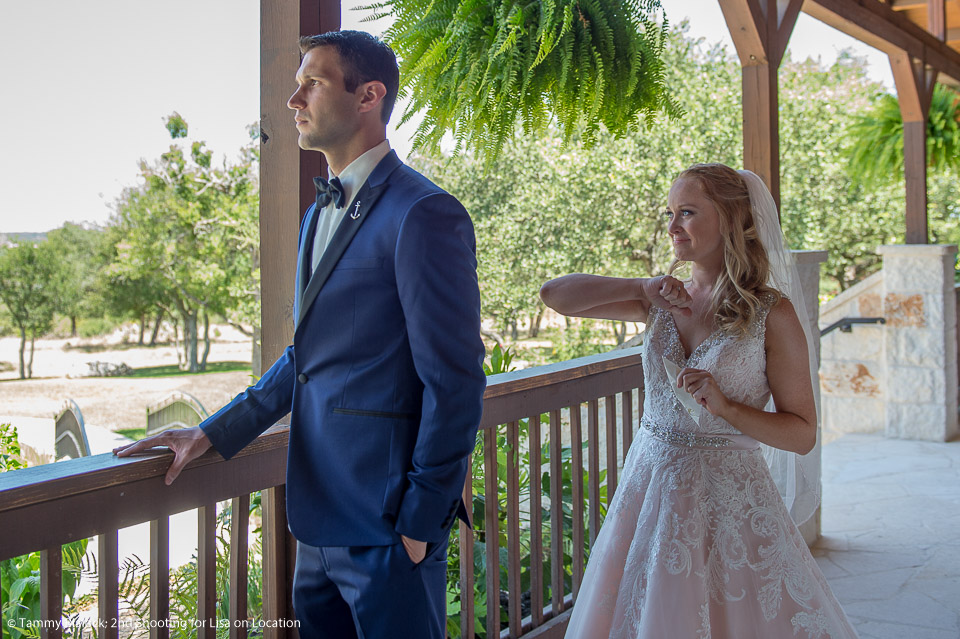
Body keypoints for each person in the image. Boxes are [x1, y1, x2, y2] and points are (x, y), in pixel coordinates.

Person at [114, 30, 486, 639]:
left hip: (390, 526)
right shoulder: (317, 214)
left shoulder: (424, 214)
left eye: (311, 83)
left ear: (369, 96)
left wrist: (421, 523)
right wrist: (211, 433)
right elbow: (307, 359)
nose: (294, 99)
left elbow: (456, 380)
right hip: (315, 525)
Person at [540, 164, 858, 638]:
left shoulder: (772, 312)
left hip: (730, 505)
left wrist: (728, 408)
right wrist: (642, 289)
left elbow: (803, 434)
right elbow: (555, 295)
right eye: (670, 213)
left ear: (732, 219)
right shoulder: (661, 299)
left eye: (686, 213)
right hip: (650, 487)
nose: (672, 227)